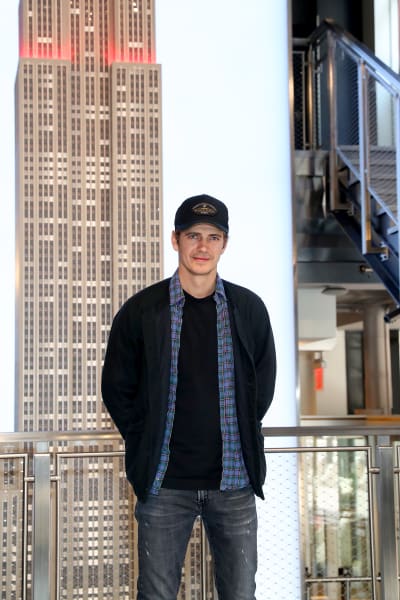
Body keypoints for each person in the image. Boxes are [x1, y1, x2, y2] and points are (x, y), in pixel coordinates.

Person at [101, 193, 276, 600]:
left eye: (213, 237)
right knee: (157, 593)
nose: (203, 246)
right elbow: (117, 386)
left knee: (240, 594)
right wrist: (145, 438)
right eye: (194, 235)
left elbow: (262, 386)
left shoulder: (248, 309)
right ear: (175, 239)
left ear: (224, 244)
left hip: (234, 483)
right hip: (164, 485)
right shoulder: (142, 310)